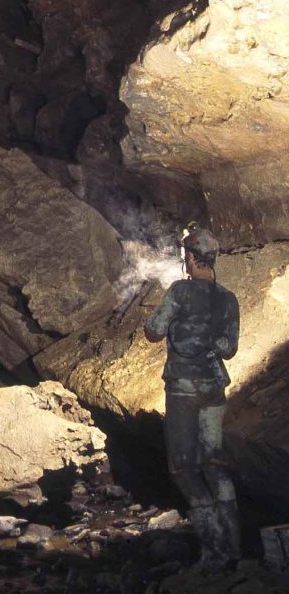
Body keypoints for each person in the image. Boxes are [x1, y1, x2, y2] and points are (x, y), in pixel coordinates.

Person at [145, 225, 240, 571]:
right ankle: (234, 546)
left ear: (189, 257)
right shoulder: (228, 298)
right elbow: (229, 349)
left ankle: (213, 552)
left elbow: (153, 331)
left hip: (184, 390)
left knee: (184, 468)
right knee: (214, 464)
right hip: (214, 389)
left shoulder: (179, 293)